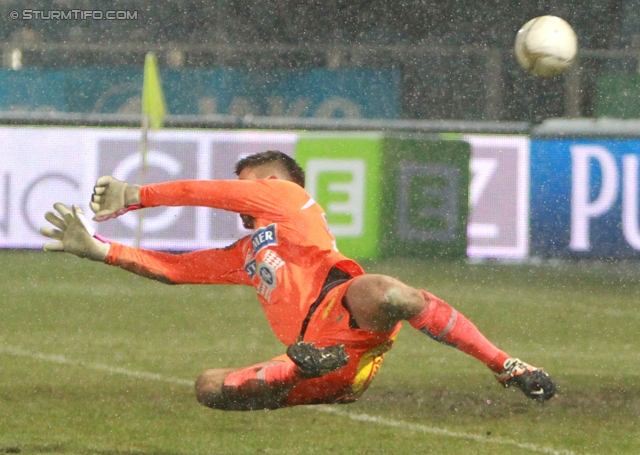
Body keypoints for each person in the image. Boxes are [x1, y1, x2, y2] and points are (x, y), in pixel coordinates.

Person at [40, 150, 556, 411]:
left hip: (346, 318)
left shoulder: (290, 202)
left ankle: (505, 364)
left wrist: (137, 195)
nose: (242, 197)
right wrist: (100, 250)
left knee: (383, 291)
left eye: (251, 186)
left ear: (277, 185)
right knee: (208, 388)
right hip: (317, 363)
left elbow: (215, 193)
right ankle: (301, 369)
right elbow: (176, 269)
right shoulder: (246, 254)